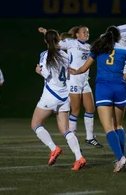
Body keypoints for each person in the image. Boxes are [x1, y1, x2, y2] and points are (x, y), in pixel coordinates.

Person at [69, 26, 126, 173]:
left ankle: (121, 158)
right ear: (119, 37)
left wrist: (74, 71)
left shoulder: (98, 48)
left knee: (108, 128)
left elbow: (84, 68)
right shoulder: (125, 50)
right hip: (119, 89)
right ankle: (120, 156)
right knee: (119, 126)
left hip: (104, 90)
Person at [38, 26, 103, 148]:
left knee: (90, 108)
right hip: (73, 80)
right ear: (77, 35)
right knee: (76, 110)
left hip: (84, 80)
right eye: (84, 32)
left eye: (88, 32)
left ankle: (90, 137)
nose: (86, 34)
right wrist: (47, 33)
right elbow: (54, 43)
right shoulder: (70, 43)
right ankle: (72, 138)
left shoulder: (89, 47)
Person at [32, 29, 86, 170]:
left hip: (50, 95)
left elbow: (45, 73)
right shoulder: (65, 54)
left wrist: (38, 70)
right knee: (66, 130)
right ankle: (79, 157)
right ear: (58, 39)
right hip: (63, 96)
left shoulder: (45, 55)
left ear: (45, 41)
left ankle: (53, 148)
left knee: (35, 124)